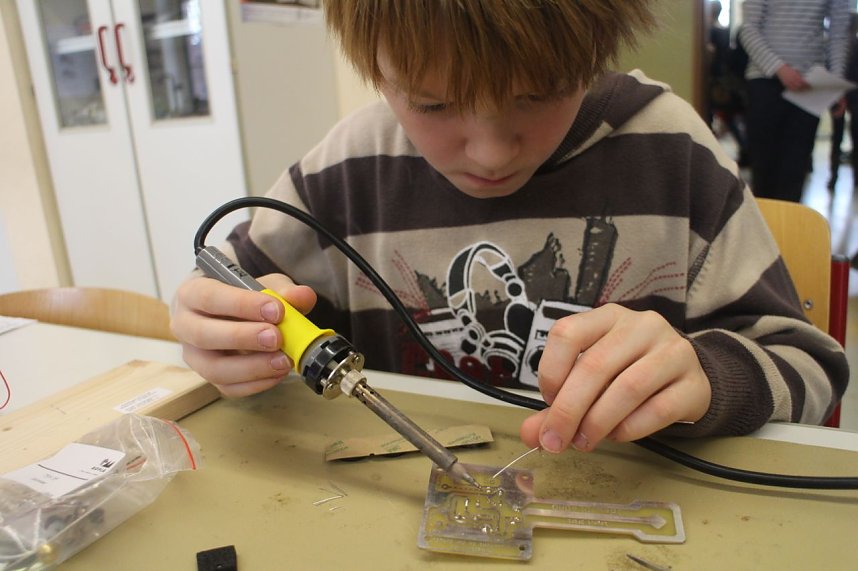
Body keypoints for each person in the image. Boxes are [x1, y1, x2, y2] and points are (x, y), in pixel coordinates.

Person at [171, 1, 848, 457]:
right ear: (375, 67)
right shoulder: (346, 173)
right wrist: (225, 334)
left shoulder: (673, 155)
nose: (492, 153)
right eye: (434, 103)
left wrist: (708, 374)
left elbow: (814, 368)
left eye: (540, 91)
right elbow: (227, 287)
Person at [740, 0, 852, 203]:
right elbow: (748, 30)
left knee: (795, 171)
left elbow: (839, 35)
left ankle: (789, 233)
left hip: (810, 84)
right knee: (764, 170)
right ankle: (762, 233)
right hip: (765, 80)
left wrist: (835, 83)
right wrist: (780, 69)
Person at [828, 13, 858, 192]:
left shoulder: (843, 48)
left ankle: (835, 177)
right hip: (842, 95)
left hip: (846, 95)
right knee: (844, 138)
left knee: (838, 138)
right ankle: (841, 177)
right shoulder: (840, 48)